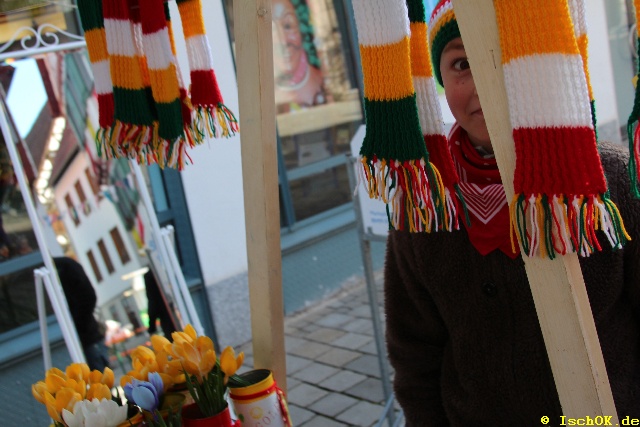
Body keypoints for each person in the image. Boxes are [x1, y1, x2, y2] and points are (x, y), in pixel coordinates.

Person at [383, 3, 640, 425]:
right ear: (441, 79)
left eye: (505, 54)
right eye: (462, 63)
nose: (484, 81)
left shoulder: (611, 182)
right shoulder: (426, 203)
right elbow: (415, 357)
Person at [54, 256, 110, 371]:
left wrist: (78, 325)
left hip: (86, 338)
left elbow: (88, 297)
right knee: (99, 377)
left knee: (98, 377)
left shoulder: (64, 266)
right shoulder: (64, 265)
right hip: (85, 336)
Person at [144, 269, 177, 339]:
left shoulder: (149, 276)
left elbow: (153, 304)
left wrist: (151, 328)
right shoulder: (166, 269)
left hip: (167, 319)